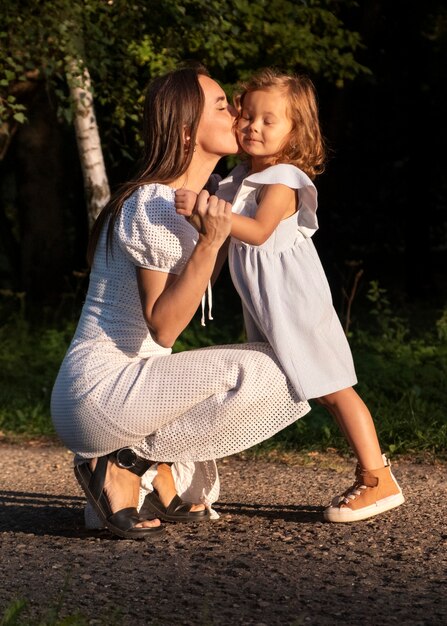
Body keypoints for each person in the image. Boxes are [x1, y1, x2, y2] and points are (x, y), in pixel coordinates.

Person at [50, 65, 312, 540]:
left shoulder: (191, 200)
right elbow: (165, 327)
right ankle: (128, 460)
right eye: (221, 105)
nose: (236, 113)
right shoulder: (153, 202)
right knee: (278, 369)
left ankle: (124, 469)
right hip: (99, 391)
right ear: (188, 130)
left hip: (128, 394)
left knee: (290, 361)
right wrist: (211, 243)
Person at [175, 67, 405, 523]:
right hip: (265, 302)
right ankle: (185, 476)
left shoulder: (284, 178)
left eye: (269, 120)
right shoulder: (238, 176)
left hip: (295, 301)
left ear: (295, 131)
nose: (253, 127)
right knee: (269, 387)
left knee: (335, 388)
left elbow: (258, 232)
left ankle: (377, 478)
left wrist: (206, 209)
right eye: (248, 116)